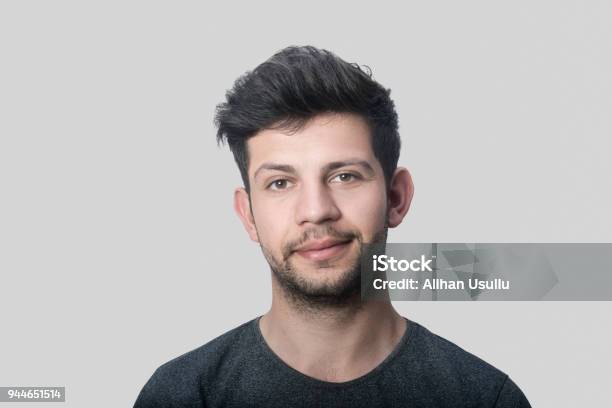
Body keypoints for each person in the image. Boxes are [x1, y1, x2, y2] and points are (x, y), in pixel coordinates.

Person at [134, 45, 531, 407]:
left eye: (344, 176)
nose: (316, 210)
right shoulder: (182, 396)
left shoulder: (484, 400)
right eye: (280, 183)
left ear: (396, 197)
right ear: (248, 215)